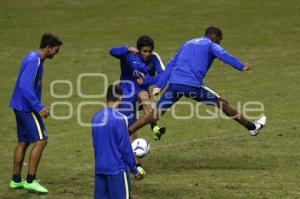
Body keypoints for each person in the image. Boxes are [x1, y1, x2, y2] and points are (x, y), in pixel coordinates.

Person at [128, 26, 267, 137]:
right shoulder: (211, 44)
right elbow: (224, 55)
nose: (219, 43)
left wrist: (159, 86)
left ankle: (126, 132)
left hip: (174, 85)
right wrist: (241, 66)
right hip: (191, 85)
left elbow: (171, 65)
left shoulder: (187, 43)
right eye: (220, 41)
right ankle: (252, 127)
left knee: (155, 114)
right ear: (216, 37)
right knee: (222, 103)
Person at [9, 33, 63, 193]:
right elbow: (25, 86)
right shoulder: (34, 60)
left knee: (23, 142)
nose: (56, 53)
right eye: (56, 50)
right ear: (47, 48)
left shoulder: (34, 58)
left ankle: (16, 180)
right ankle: (30, 180)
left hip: (19, 105)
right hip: (26, 108)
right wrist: (39, 106)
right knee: (41, 140)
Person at [91, 85, 145, 199]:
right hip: (117, 171)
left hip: (100, 169)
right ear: (119, 98)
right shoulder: (120, 119)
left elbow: (96, 145)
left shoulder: (95, 117)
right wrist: (135, 170)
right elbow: (125, 148)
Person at [109, 35, 166, 142]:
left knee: (144, 97)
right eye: (145, 51)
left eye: (150, 51)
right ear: (139, 49)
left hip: (141, 91)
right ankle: (132, 152)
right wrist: (126, 48)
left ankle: (155, 129)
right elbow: (111, 51)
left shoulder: (154, 58)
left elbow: (164, 75)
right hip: (127, 95)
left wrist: (146, 81)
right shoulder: (129, 55)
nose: (148, 54)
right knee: (131, 127)